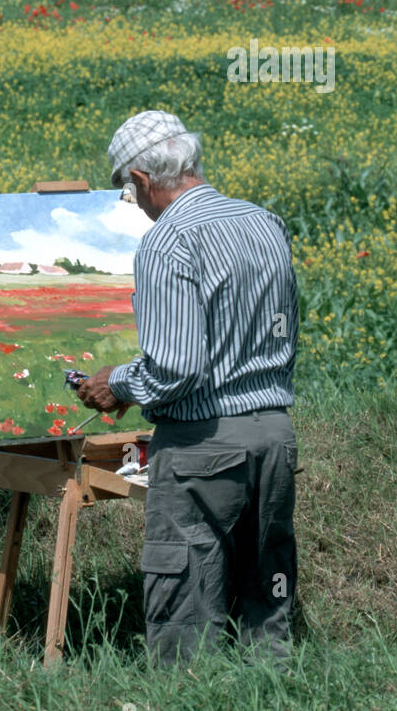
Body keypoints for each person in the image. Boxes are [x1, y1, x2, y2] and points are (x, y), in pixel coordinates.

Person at [77, 110, 299, 668]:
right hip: (274, 437)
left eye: (128, 192)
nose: (135, 204)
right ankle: (274, 703)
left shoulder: (166, 242)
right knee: (264, 607)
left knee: (184, 619)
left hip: (204, 445)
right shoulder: (263, 222)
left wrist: (118, 383)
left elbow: (176, 369)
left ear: (142, 179)